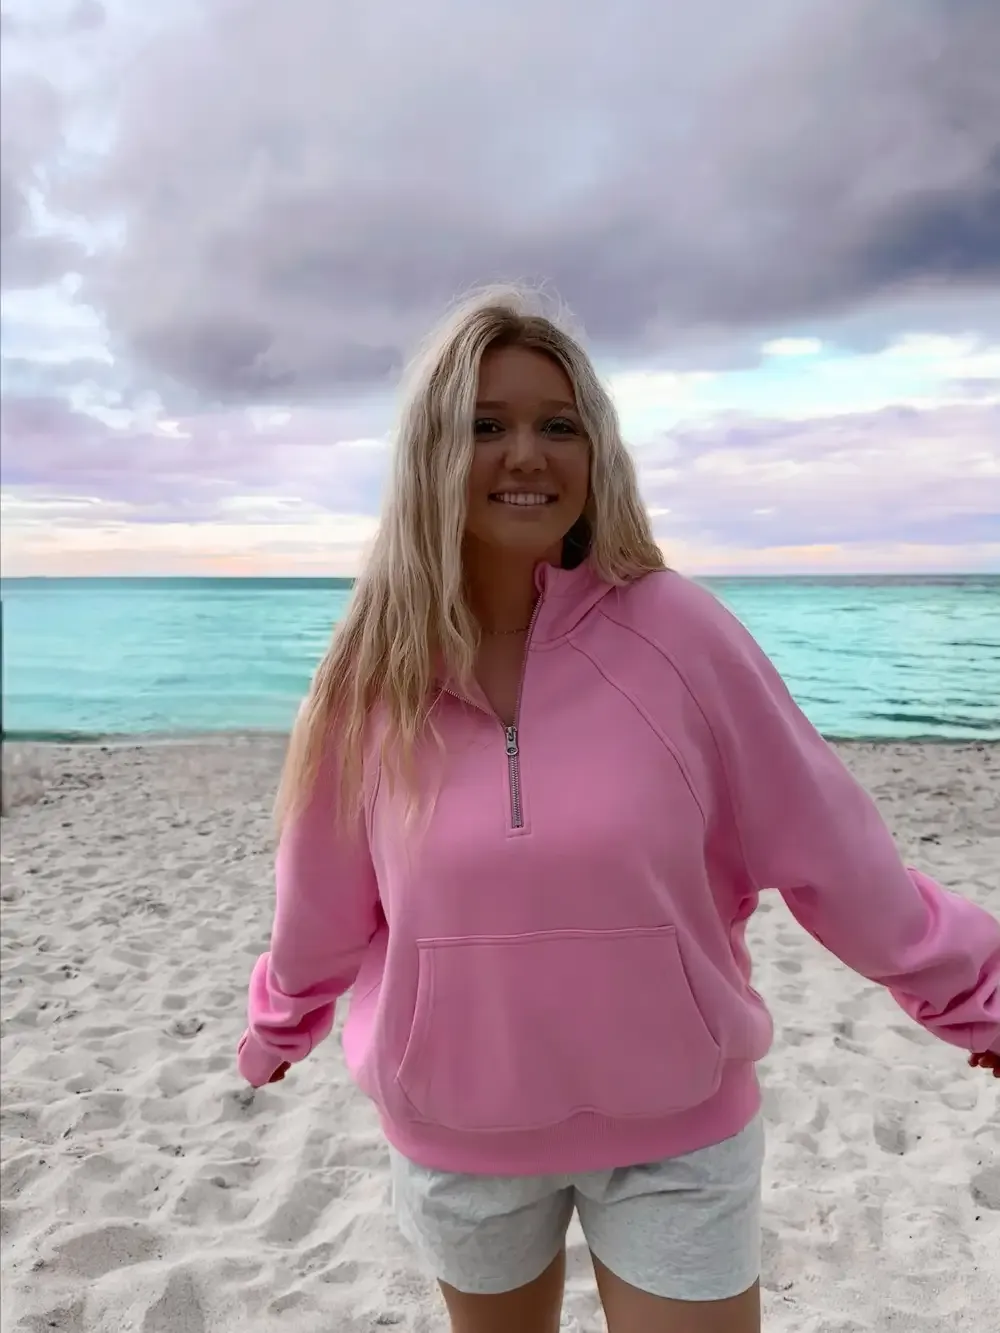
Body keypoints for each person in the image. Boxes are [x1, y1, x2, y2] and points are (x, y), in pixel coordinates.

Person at [237, 285, 1000, 1333]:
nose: (527, 454)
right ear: (430, 454)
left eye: (559, 425)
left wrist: (973, 992)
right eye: (486, 425)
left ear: (597, 450)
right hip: (460, 1133)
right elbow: (322, 899)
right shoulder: (374, 674)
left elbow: (832, 846)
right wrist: (281, 1021)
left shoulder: (679, 633)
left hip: (676, 1131)